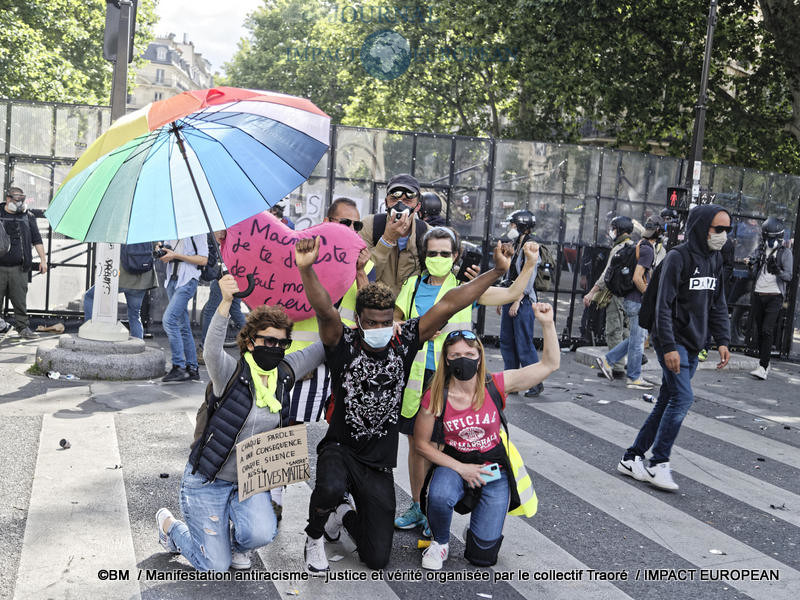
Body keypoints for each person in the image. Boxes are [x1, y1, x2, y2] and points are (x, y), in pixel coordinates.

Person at [295, 235, 511, 575]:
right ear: (359, 320)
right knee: (330, 487)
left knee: (377, 557)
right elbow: (324, 309)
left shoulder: (405, 339)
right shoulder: (343, 340)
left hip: (378, 463)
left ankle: (344, 514)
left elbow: (450, 302)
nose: (379, 328)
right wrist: (307, 270)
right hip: (341, 450)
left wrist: (496, 271)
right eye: (371, 322)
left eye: (385, 321)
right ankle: (314, 535)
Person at [155, 274, 324, 571]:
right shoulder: (230, 373)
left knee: (262, 533)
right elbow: (211, 351)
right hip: (209, 480)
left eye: (282, 343)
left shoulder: (284, 374)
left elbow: (324, 346)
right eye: (268, 340)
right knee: (214, 566)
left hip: (250, 484)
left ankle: (232, 545)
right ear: (250, 341)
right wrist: (225, 302)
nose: (275, 347)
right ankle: (171, 527)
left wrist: (340, 311)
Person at [393, 226, 538, 537]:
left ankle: (433, 509)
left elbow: (511, 294)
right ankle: (418, 505)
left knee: (440, 445)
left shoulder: (466, 288)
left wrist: (529, 263)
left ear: (455, 256)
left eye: (445, 253)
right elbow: (395, 320)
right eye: (433, 253)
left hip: (452, 380)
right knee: (416, 445)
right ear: (424, 256)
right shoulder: (412, 286)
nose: (438, 258)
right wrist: (413, 326)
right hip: (416, 378)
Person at [414, 303, 559, 570]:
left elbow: (549, 364)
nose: (463, 359)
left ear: (480, 357)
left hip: (492, 469)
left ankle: (478, 533)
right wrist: (462, 469)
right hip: (455, 465)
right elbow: (422, 445)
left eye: (469, 354)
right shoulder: (435, 395)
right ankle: (440, 542)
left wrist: (547, 323)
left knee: (482, 558)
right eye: (456, 355)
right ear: (447, 360)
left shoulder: (495, 385)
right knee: (440, 495)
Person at [618, 204, 731, 491]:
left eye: (727, 230)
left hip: (693, 342)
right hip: (672, 340)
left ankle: (632, 457)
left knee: (668, 399)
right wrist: (668, 346)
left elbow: (718, 303)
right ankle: (658, 462)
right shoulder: (677, 258)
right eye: (718, 229)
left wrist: (723, 340)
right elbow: (662, 305)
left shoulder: (716, 259)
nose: (723, 235)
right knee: (682, 397)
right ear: (702, 227)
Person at [595, 215, 660, 389]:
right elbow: (638, 278)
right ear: (659, 231)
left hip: (632, 300)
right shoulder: (647, 250)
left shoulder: (641, 245)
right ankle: (634, 377)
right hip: (637, 301)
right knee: (638, 342)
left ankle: (607, 360)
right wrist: (649, 295)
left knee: (636, 338)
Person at [498, 210, 543, 397]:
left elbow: (529, 274)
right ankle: (512, 382)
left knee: (523, 342)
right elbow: (510, 273)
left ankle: (535, 383)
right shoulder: (516, 244)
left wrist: (518, 299)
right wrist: (502, 298)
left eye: (513, 225)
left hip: (522, 300)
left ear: (522, 226)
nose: (511, 228)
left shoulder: (531, 245)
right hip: (510, 296)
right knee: (507, 340)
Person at [583, 215, 635, 378]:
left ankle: (618, 367)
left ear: (619, 230)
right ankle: (634, 358)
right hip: (629, 296)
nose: (611, 231)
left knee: (613, 330)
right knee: (625, 330)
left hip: (615, 295)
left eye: (613, 228)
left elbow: (607, 275)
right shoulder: (634, 246)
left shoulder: (618, 249)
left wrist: (592, 292)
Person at [359, 173, 428, 295]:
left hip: (408, 306)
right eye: (394, 199)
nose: (400, 206)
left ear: (417, 206)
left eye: (407, 200)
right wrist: (387, 240)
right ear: (386, 203)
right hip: (376, 304)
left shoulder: (426, 233)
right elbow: (362, 274)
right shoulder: (369, 226)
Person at [746, 217, 793, 380]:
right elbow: (753, 273)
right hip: (759, 294)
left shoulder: (785, 253)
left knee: (767, 330)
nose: (770, 241)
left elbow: (789, 276)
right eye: (768, 237)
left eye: (773, 238)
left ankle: (763, 367)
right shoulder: (759, 250)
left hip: (775, 296)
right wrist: (751, 265)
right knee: (759, 330)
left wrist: (777, 271)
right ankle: (764, 361)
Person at [158, 236, 208, 382]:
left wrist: (176, 256)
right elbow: (168, 249)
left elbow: (203, 259)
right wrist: (161, 250)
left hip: (188, 279)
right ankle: (192, 368)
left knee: (169, 320)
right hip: (172, 279)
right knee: (182, 325)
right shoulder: (171, 229)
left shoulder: (197, 230)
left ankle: (178, 366)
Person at [0, 187, 47, 339]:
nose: (19, 203)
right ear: (8, 199)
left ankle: (23, 328)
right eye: (16, 200)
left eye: (22, 200)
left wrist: (43, 260)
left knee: (20, 301)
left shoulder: (28, 216)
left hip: (19, 267)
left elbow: (37, 239)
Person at [83, 243, 157, 339]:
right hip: (141, 282)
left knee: (89, 296)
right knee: (135, 315)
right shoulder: (149, 236)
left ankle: (90, 330)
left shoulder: (120, 233)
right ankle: (138, 344)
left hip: (120, 279)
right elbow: (156, 249)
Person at [199, 230, 246, 361]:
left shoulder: (226, 237)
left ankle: (204, 347)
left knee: (210, 309)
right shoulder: (238, 234)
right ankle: (254, 338)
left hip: (225, 275)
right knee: (234, 309)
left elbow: (219, 239)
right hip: (237, 272)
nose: (220, 233)